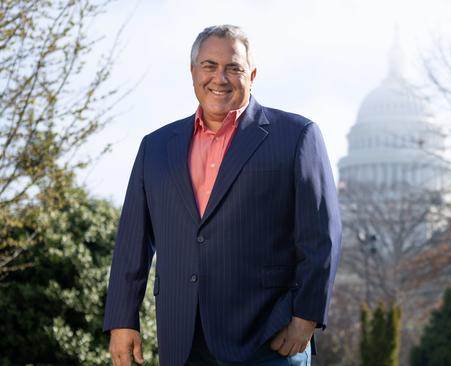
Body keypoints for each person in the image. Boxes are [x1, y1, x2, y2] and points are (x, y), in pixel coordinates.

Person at [103, 24, 341, 366]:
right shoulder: (155, 147)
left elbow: (322, 237)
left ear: (252, 75)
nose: (221, 78)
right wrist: (122, 320)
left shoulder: (297, 136)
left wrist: (306, 317)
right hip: (183, 340)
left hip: (268, 338)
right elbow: (132, 243)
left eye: (234, 68)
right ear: (193, 72)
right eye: (210, 66)